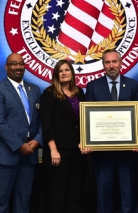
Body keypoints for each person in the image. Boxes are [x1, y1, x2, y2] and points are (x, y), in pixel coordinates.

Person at [84, 49, 138, 213]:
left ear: (121, 63)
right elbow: (86, 119)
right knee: (103, 194)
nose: (111, 66)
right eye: (107, 62)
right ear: (103, 65)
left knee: (129, 193)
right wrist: (86, 140)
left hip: (128, 152)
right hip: (101, 153)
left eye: (114, 62)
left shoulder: (133, 85)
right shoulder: (93, 86)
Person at [0, 53, 43, 213]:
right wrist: (20, 145)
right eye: (13, 64)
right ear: (6, 67)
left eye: (21, 63)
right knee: (0, 201)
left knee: (23, 200)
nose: (18, 67)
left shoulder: (34, 89)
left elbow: (42, 120)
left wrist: (37, 140)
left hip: (30, 155)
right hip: (6, 156)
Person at [40, 60, 86, 213]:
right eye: (60, 71)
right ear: (56, 75)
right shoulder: (49, 94)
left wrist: (85, 141)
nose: (64, 73)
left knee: (75, 193)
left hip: (78, 151)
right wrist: (53, 149)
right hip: (58, 152)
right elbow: (47, 124)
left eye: (67, 70)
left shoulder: (80, 92)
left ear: (72, 73)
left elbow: (85, 120)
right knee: (57, 193)